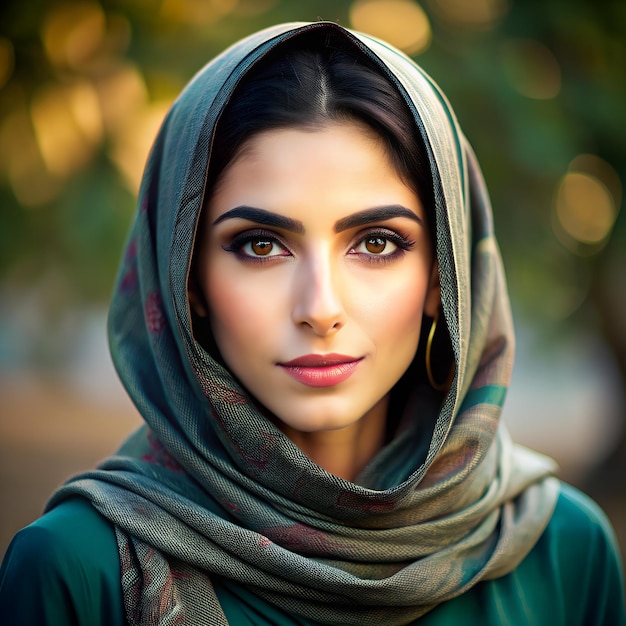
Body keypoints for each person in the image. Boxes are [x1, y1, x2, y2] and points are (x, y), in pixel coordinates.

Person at [0, 20, 624, 626]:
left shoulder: (563, 552)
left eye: (377, 243)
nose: (320, 308)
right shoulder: (78, 570)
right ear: (187, 281)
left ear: (444, 279)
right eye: (262, 246)